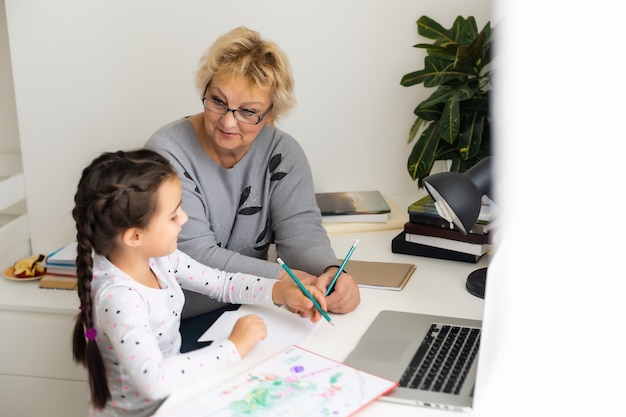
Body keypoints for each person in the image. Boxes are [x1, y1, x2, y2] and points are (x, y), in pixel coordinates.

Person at [71, 149, 327, 416]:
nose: (184, 219)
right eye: (172, 216)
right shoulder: (120, 298)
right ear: (135, 236)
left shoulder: (159, 259)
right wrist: (234, 347)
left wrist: (279, 291)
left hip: (178, 396)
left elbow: (221, 282)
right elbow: (154, 381)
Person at [146, 26, 360, 339]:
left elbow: (301, 232)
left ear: (273, 113)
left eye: (248, 111)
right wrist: (288, 281)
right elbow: (196, 256)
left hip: (254, 309)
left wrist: (329, 273)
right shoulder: (166, 152)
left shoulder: (283, 152)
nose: (228, 121)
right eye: (218, 101)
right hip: (179, 321)